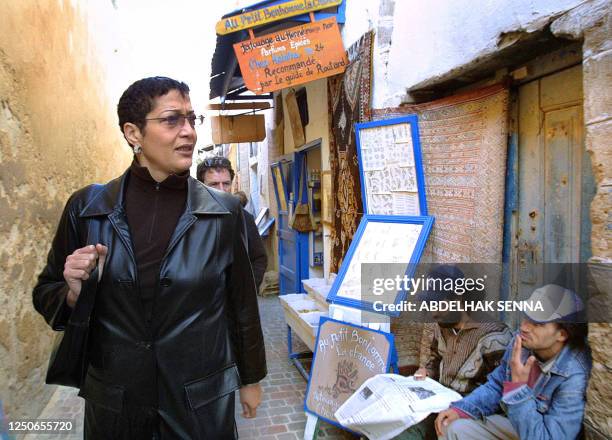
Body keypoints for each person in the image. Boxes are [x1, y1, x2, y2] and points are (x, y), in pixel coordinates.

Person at [33, 76, 266, 439]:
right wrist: (73, 293)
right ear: (133, 133)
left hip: (198, 402)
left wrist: (250, 378)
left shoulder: (223, 213)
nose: (188, 132)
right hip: (116, 403)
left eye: (192, 119)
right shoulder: (87, 208)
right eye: (172, 120)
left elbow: (243, 307)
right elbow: (45, 292)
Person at [435, 284, 591, 440]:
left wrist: (518, 389)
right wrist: (462, 410)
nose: (523, 327)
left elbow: (549, 437)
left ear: (562, 334)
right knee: (451, 427)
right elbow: (497, 385)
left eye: (537, 323)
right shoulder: (522, 342)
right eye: (526, 316)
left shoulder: (574, 375)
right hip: (514, 421)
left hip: (539, 432)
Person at [396, 265, 512, 440]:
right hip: (437, 402)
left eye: (438, 305)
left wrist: (461, 409)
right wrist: (427, 372)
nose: (433, 312)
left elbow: (497, 393)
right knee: (399, 422)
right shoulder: (443, 325)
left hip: (468, 411)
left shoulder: (495, 337)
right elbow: (435, 359)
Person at [197, 157, 268, 292]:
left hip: (235, 305)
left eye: (226, 184)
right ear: (201, 185)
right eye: (214, 184)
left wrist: (247, 290)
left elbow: (259, 258)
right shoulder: (189, 218)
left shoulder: (243, 218)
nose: (222, 190)